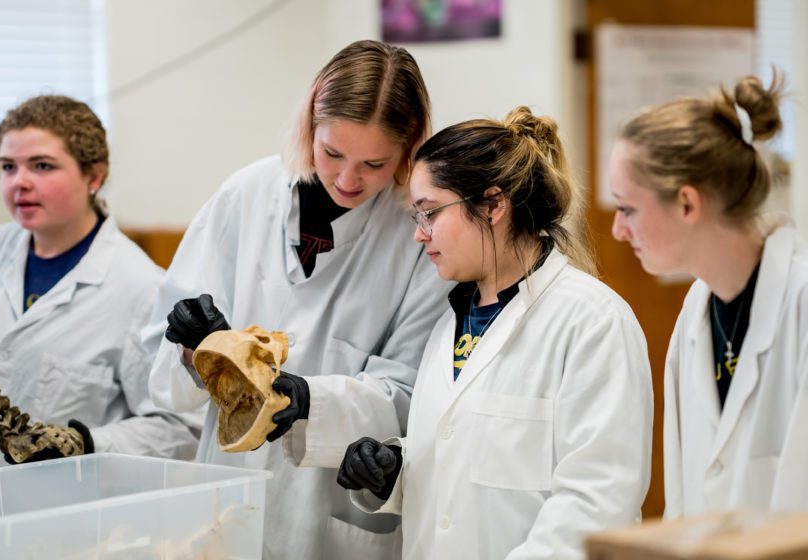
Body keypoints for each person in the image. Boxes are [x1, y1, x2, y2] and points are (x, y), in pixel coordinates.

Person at [144, 40, 450, 559]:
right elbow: (163, 382)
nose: (348, 180)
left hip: (332, 510)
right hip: (226, 492)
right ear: (309, 125)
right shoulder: (246, 196)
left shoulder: (419, 233)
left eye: (374, 163)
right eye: (332, 153)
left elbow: (410, 390)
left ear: (409, 146)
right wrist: (191, 349)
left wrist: (311, 398)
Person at [337, 106, 654, 559]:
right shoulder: (451, 322)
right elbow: (465, 464)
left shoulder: (592, 321)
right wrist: (393, 473)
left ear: (492, 205)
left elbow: (597, 502)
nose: (419, 236)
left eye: (429, 213)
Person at [609, 74, 808, 516]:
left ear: (686, 203)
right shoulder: (695, 318)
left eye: (627, 208)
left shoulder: (801, 305)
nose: (617, 230)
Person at [0, 95, 199, 470]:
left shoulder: (141, 289)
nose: (19, 182)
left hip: (69, 512)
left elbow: (181, 430)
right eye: (8, 167)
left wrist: (86, 442)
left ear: (94, 176)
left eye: (42, 166)